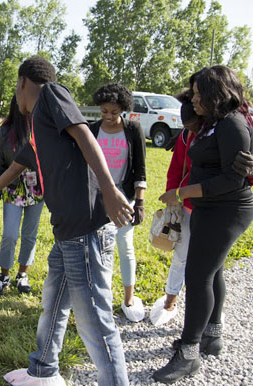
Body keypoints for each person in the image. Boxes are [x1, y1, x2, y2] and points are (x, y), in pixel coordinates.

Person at [0, 56, 133, 386]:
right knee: (54, 302)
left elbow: (86, 136)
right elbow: (15, 167)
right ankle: (43, 371)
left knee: (96, 324)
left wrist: (110, 189)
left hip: (85, 230)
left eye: (16, 90)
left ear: (21, 83)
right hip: (67, 234)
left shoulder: (51, 95)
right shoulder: (38, 133)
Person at [153, 65, 253, 383]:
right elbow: (189, 113)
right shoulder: (212, 122)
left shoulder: (231, 125)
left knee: (197, 277)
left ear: (214, 95)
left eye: (198, 94)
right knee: (214, 272)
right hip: (209, 209)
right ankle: (212, 336)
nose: (193, 99)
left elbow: (231, 181)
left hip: (226, 210)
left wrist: (181, 192)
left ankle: (189, 354)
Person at [90, 83, 147, 322]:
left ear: (123, 109)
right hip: (95, 197)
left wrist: (140, 202)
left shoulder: (133, 130)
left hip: (124, 198)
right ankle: (97, 298)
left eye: (114, 112)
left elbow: (140, 169)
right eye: (104, 112)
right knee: (97, 250)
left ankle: (128, 298)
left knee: (124, 246)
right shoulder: (92, 130)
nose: (109, 117)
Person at [149, 90, 202, 326]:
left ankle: (206, 309)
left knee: (209, 265)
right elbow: (176, 167)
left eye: (193, 126)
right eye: (186, 126)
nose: (191, 131)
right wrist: (173, 202)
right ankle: (170, 301)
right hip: (188, 208)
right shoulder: (184, 137)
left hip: (213, 211)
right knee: (180, 255)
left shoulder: (216, 135)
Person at [0, 95, 44, 297]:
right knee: (10, 235)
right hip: (12, 190)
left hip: (37, 191)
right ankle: (4, 275)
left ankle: (22, 274)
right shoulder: (6, 131)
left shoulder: (42, 129)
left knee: (30, 234)